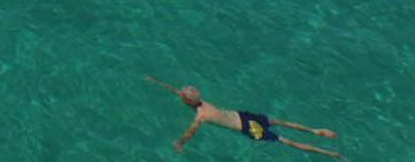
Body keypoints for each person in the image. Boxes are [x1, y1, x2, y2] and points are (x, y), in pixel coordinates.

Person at [147, 78, 344, 158]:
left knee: (286, 141)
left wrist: (180, 143)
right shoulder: (203, 103)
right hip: (244, 115)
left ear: (188, 102)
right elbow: (178, 92)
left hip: (248, 128)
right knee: (282, 123)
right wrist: (157, 83)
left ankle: (330, 155)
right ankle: (316, 130)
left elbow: (191, 131)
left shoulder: (201, 115)